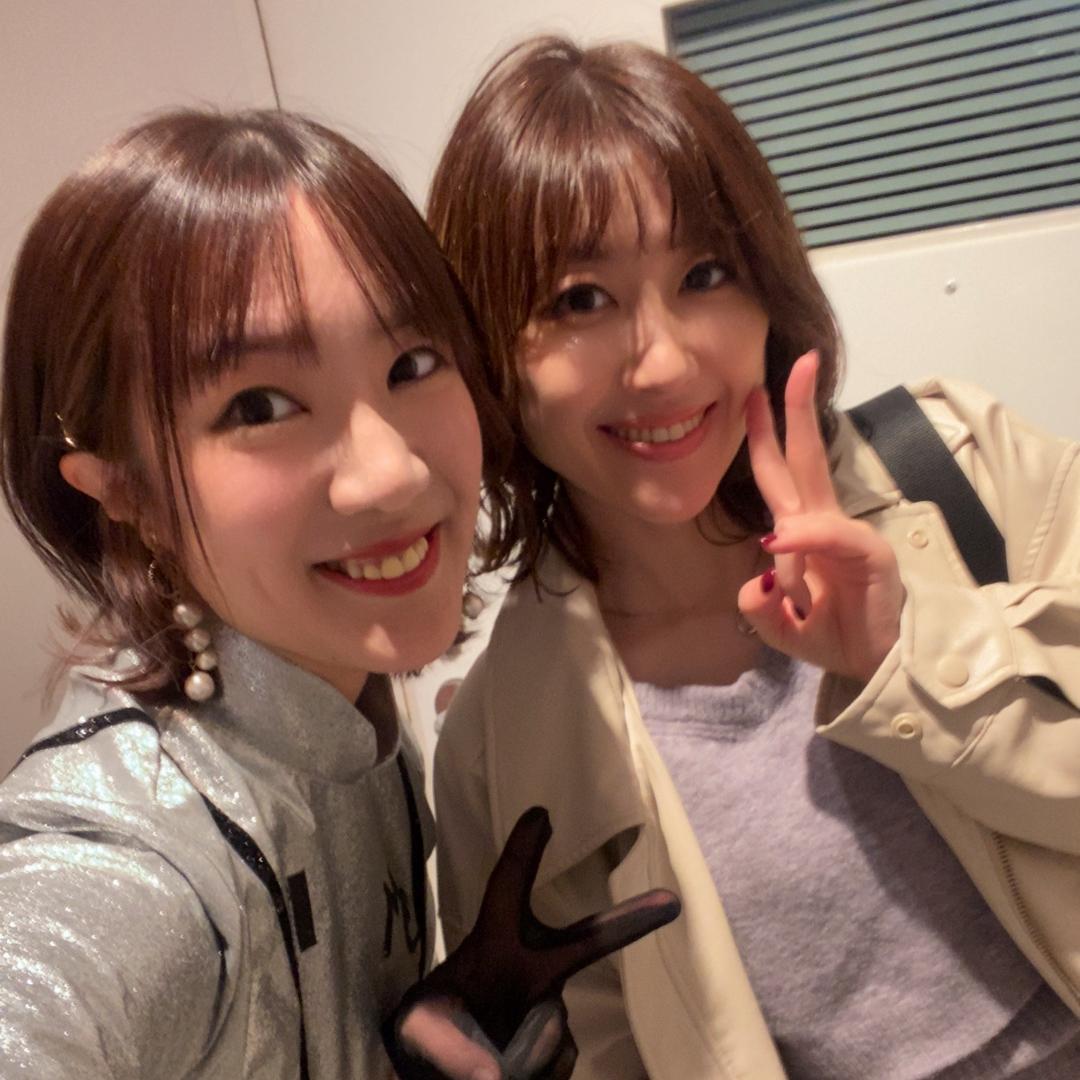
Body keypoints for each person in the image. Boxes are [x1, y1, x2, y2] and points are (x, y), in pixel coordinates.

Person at [428, 37, 1080, 1080]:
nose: (664, 361)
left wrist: (906, 662)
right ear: (486, 346)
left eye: (705, 274)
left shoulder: (963, 470)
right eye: (579, 299)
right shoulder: (504, 744)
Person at [0, 108, 677, 1079]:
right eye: (260, 406)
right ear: (129, 493)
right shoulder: (143, 858)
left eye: (412, 364)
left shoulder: (348, 704)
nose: (391, 473)